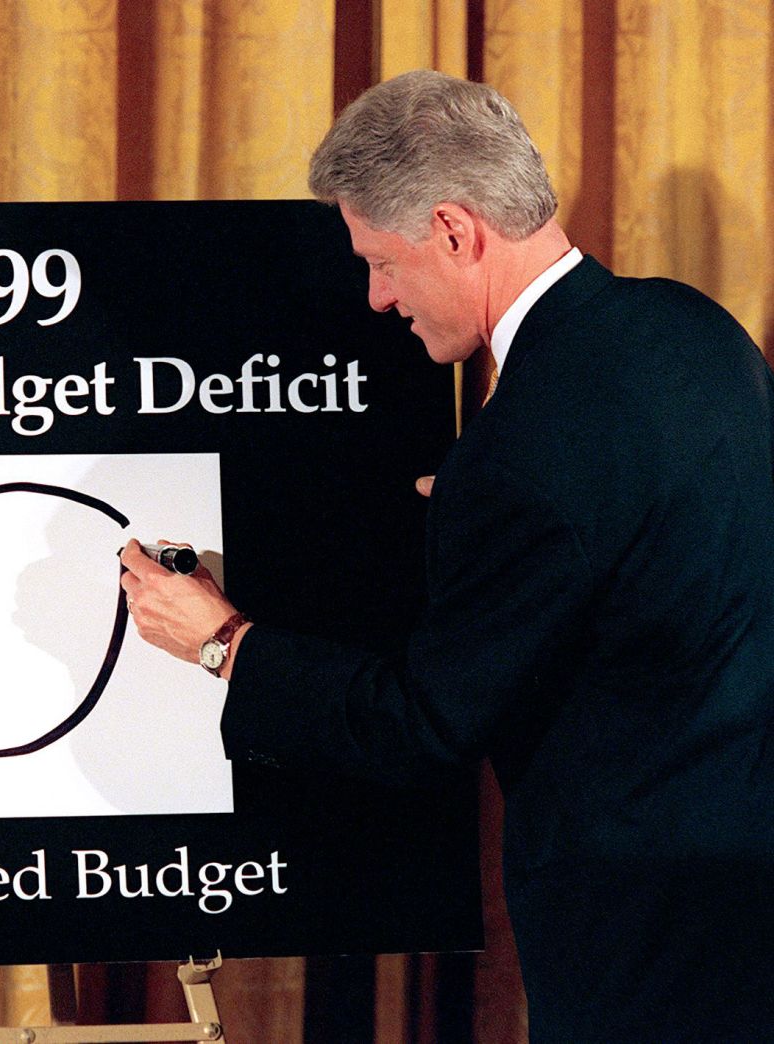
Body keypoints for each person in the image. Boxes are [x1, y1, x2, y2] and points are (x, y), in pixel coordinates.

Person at [121, 69, 774, 1039]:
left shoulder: (518, 450)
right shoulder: (696, 330)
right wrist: (475, 517)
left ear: (456, 230)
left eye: (382, 261)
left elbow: (421, 727)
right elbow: (638, 553)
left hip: (635, 932)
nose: (378, 299)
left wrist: (224, 642)